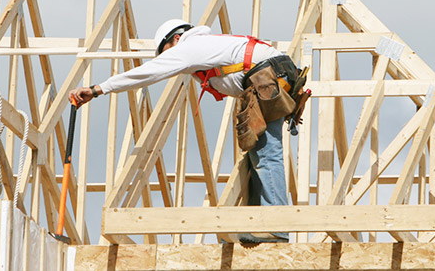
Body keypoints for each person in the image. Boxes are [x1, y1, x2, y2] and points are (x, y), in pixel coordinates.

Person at [70, 19, 304, 243]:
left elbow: (147, 73)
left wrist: (99, 89)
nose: (168, 58)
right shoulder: (206, 46)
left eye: (166, 51)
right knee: (259, 152)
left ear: (176, 38)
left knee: (266, 153)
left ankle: (275, 226)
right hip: (275, 75)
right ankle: (264, 223)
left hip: (266, 77)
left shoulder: (190, 47)